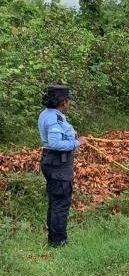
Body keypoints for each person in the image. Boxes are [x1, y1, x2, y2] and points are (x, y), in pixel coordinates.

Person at [38, 85, 87, 247]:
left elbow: (59, 135)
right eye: (68, 101)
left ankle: (53, 237)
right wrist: (77, 143)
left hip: (51, 161)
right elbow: (55, 143)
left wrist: (72, 136)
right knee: (60, 202)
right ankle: (59, 241)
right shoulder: (54, 119)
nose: (69, 104)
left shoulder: (47, 114)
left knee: (55, 201)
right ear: (63, 102)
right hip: (58, 163)